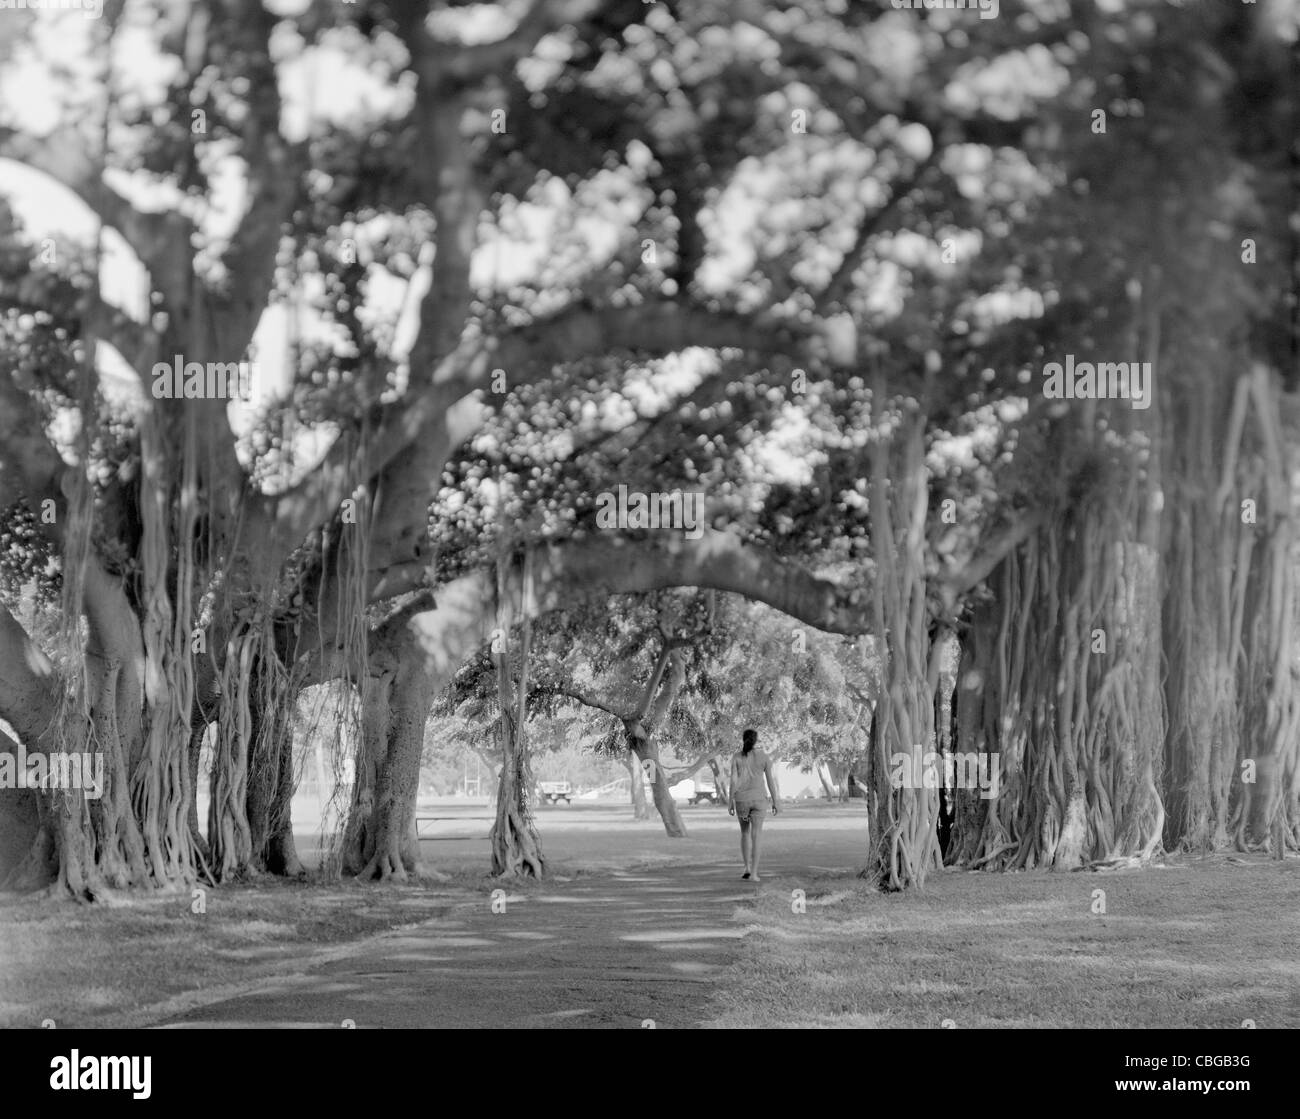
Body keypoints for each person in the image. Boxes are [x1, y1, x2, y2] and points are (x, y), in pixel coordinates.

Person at [728, 728, 779, 881]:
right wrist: (775, 801)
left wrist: (730, 800)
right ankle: (754, 874)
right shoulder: (764, 757)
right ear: (756, 740)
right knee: (756, 835)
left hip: (742, 800)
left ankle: (747, 868)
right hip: (759, 800)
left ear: (743, 739)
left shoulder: (736, 757)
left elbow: (733, 781)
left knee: (744, 833)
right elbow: (770, 781)